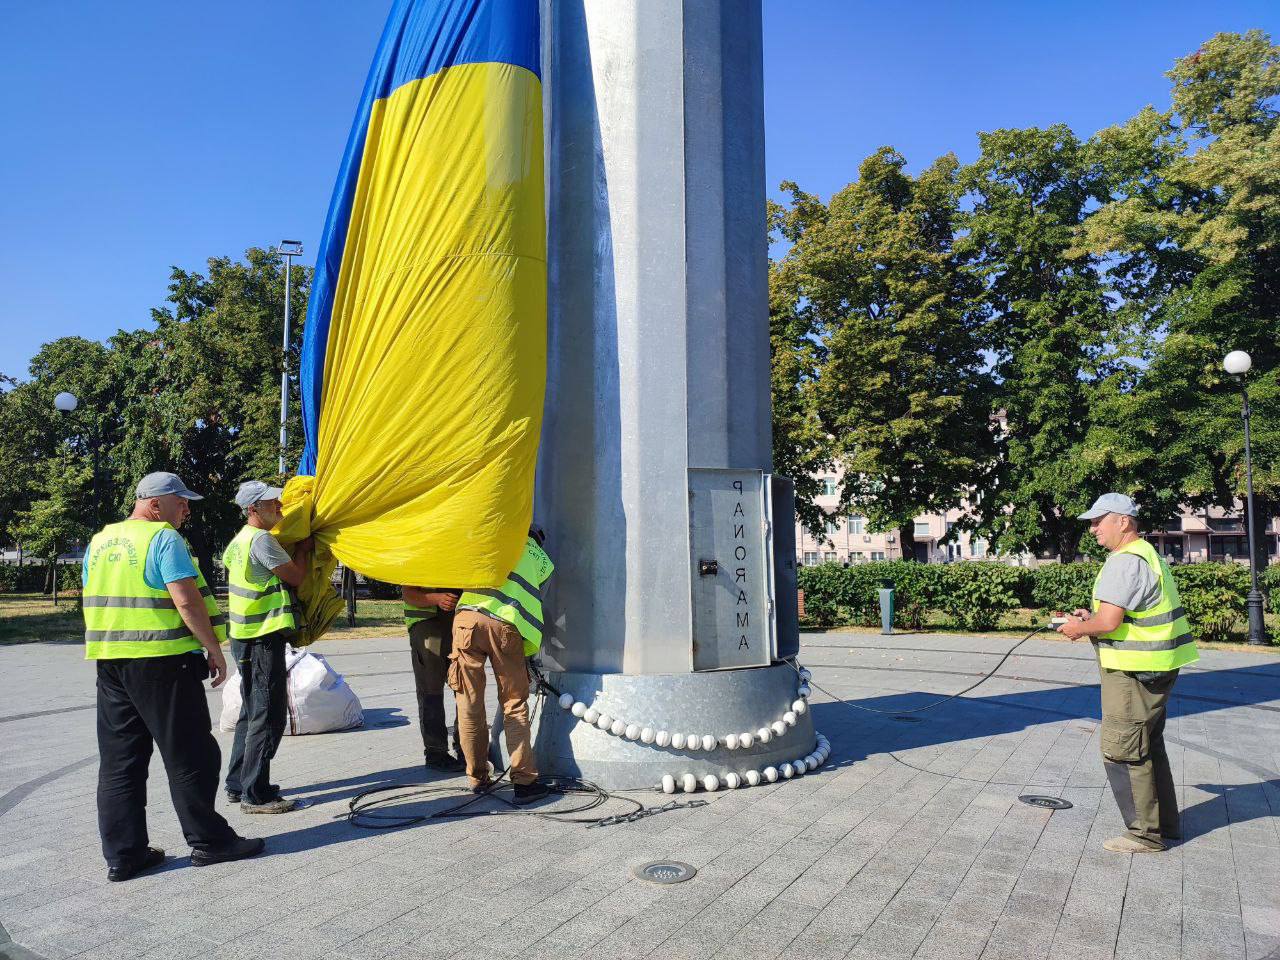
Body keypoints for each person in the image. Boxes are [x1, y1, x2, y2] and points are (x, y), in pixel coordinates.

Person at [82, 472, 264, 881]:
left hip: (111, 663)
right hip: (163, 661)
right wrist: (214, 649)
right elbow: (185, 599)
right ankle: (210, 841)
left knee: (120, 763)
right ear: (155, 503)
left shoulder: (98, 542)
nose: (186, 509)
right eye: (180, 501)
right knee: (191, 755)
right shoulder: (163, 539)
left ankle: (125, 855)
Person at [1057, 493, 1199, 853]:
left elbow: (1109, 621)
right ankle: (1165, 826)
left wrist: (1079, 627)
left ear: (1123, 521)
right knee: (1148, 745)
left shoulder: (1124, 561)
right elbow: (1125, 617)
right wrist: (1090, 620)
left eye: (1098, 520)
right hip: (1155, 666)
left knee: (1123, 749)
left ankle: (1143, 834)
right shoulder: (1147, 554)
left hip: (1133, 671)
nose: (1092, 529)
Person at [222, 481, 312, 813]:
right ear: (253, 510)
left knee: (250, 710)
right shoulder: (261, 540)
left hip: (244, 636)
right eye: (273, 505)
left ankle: (237, 782)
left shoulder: (238, 541)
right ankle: (255, 794)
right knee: (268, 714)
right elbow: (296, 576)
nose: (280, 509)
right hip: (262, 637)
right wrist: (303, 550)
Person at [449, 526, 555, 803]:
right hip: (504, 624)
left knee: (468, 704)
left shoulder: (485, 538)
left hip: (466, 621)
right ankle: (524, 782)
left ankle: (478, 778)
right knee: (514, 703)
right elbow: (544, 587)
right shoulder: (539, 556)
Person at [401, 584, 465, 772]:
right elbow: (408, 593)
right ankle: (436, 752)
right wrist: (436, 599)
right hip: (429, 628)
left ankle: (466, 746)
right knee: (431, 690)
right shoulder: (419, 555)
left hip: (458, 624)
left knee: (466, 688)